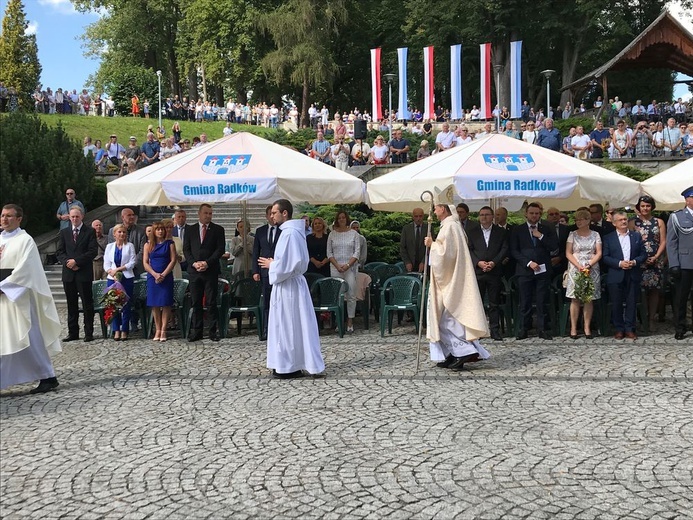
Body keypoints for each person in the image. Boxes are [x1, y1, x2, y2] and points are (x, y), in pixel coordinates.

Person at [258, 199, 324, 379]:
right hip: (288, 285)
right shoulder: (292, 232)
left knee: (289, 325)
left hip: (289, 286)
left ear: (284, 213)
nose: (271, 216)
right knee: (287, 325)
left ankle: (289, 365)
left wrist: (272, 265)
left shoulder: (289, 235)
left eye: (274, 212)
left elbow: (288, 264)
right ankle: (285, 363)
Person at [0, 204, 62, 394]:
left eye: (9, 216)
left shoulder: (25, 240)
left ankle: (48, 376)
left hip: (19, 297)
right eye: (2, 215)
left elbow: (27, 268)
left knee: (29, 336)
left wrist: (4, 286)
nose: (4, 219)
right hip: (2, 298)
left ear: (19, 219)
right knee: (4, 339)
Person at [425, 202, 490, 370]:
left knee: (446, 319)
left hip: (450, 280)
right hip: (447, 279)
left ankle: (463, 351)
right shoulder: (448, 225)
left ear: (444, 209)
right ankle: (451, 353)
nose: (434, 210)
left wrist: (432, 245)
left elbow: (448, 254)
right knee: (443, 319)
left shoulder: (451, 226)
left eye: (436, 207)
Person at [510, 202, 559, 340]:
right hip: (525, 270)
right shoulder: (518, 230)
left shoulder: (547, 228)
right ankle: (524, 329)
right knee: (525, 301)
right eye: (531, 213)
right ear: (526, 214)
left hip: (543, 270)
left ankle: (543, 329)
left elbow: (554, 246)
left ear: (540, 214)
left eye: (537, 213)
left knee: (542, 300)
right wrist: (529, 263)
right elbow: (514, 250)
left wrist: (541, 236)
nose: (534, 216)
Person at [603, 211, 648, 340]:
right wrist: (619, 263)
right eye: (621, 220)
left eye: (625, 219)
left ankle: (630, 328)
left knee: (631, 302)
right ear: (614, 223)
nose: (624, 222)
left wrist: (634, 262)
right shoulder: (608, 238)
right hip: (616, 274)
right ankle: (619, 328)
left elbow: (643, 254)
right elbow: (605, 257)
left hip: (632, 273)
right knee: (616, 302)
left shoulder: (636, 236)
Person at [184, 204, 225, 342]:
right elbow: (186, 250)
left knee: (211, 301)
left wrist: (207, 263)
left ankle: (213, 331)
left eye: (210, 213)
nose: (208, 215)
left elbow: (220, 250)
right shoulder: (190, 230)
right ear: (199, 214)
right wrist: (194, 263)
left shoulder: (218, 230)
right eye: (206, 213)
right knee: (196, 302)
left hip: (210, 271)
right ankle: (197, 331)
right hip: (194, 272)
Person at [56, 206, 98, 342]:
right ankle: (73, 332)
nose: (74, 219)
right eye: (72, 216)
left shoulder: (89, 231)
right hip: (68, 273)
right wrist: (68, 262)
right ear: (69, 217)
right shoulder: (64, 232)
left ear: (82, 217)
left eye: (77, 216)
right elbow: (60, 252)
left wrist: (77, 262)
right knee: (71, 304)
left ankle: (88, 332)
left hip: (83, 272)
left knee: (87, 303)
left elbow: (92, 251)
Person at [466, 206, 508, 341]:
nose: (484, 217)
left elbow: (504, 249)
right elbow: (469, 250)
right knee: (476, 302)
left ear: (492, 217)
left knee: (494, 303)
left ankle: (494, 330)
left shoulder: (500, 232)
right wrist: (478, 262)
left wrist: (494, 262)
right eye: (481, 214)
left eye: (487, 214)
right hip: (478, 272)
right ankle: (478, 330)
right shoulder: (471, 232)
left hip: (494, 271)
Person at [565, 209, 602, 339]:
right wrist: (578, 265)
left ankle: (587, 327)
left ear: (588, 220)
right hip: (576, 267)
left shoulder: (595, 234)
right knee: (575, 298)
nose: (578, 222)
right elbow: (568, 252)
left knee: (588, 298)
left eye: (581, 219)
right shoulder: (572, 234)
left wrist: (589, 264)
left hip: (591, 267)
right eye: (577, 220)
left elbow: (599, 252)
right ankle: (573, 328)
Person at [630, 196, 667, 328]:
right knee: (639, 290)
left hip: (655, 259)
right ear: (638, 207)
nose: (645, 208)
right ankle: (641, 318)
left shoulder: (659, 222)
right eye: (643, 206)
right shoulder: (633, 222)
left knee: (654, 291)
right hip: (639, 260)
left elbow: (663, 241)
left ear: (652, 207)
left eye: (648, 206)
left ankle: (651, 318)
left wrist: (656, 256)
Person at [327, 210, 361, 333]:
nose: (341, 219)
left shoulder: (354, 234)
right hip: (335, 268)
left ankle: (350, 321)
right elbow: (329, 253)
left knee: (351, 294)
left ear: (347, 219)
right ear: (337, 219)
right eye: (339, 218)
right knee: (338, 296)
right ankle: (339, 321)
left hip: (350, 268)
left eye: (343, 217)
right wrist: (337, 265)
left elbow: (357, 252)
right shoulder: (332, 234)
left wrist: (347, 265)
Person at [666, 186, 693, 340]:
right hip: (685, 263)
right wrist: (674, 264)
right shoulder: (677, 217)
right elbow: (671, 243)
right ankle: (680, 327)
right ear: (687, 199)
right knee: (681, 298)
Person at [144, 222, 177, 342]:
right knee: (155, 304)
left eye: (162, 229)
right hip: (153, 277)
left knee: (166, 303)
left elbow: (173, 260)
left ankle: (164, 329)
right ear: (154, 231)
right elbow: (145, 262)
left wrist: (163, 274)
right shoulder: (148, 245)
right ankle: (157, 329)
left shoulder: (170, 244)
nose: (160, 232)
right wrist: (154, 274)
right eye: (157, 230)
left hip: (166, 276)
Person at [103, 224, 136, 341]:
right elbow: (106, 263)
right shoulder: (109, 247)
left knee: (126, 304)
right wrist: (111, 272)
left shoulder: (130, 246)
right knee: (113, 304)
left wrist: (118, 270)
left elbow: (132, 262)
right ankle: (116, 329)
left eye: (124, 232)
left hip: (126, 277)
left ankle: (125, 330)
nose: (122, 234)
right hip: (112, 279)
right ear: (114, 234)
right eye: (119, 232)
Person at [252, 206, 280, 341]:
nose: (272, 217)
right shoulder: (260, 231)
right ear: (266, 216)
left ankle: (278, 330)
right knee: (267, 302)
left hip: (279, 272)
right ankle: (266, 330)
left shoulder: (283, 231)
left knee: (279, 302)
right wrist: (255, 271)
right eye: (270, 214)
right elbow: (256, 252)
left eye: (274, 213)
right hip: (264, 272)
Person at [399, 208, 427, 274]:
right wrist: (407, 262)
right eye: (416, 216)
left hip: (424, 265)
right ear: (413, 216)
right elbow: (402, 247)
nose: (418, 218)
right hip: (410, 264)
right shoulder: (406, 229)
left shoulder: (428, 229)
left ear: (423, 216)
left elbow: (430, 248)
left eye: (420, 216)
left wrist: (424, 262)